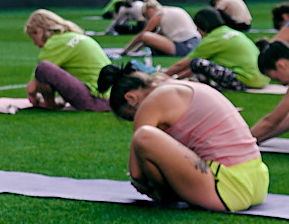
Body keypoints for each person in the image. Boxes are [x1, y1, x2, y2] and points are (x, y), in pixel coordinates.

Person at [106, 68, 269, 213]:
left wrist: (147, 185)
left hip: (227, 187)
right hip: (257, 181)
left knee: (144, 136)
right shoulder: (181, 86)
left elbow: (136, 173)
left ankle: (166, 198)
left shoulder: (153, 101)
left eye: (131, 116)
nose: (136, 119)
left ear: (131, 98)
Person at [24, 9, 111, 112]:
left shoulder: (54, 43)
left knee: (43, 68)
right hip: (110, 97)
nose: (35, 44)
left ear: (39, 31)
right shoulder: (73, 36)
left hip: (96, 100)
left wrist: (36, 95)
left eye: (33, 38)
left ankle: (50, 105)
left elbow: (31, 89)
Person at [163, 7, 269, 91]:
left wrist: (162, 77)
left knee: (197, 62)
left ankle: (207, 88)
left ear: (202, 26)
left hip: (246, 80)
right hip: (262, 78)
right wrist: (176, 80)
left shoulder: (213, 39)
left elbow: (185, 64)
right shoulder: (229, 32)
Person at [122, 0, 201, 59]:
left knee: (146, 36)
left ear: (150, 10)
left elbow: (142, 36)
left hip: (185, 46)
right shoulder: (167, 12)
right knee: (149, 38)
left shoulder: (160, 14)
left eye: (146, 15)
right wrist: (135, 50)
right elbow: (155, 37)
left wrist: (125, 51)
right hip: (194, 44)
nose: (148, 19)